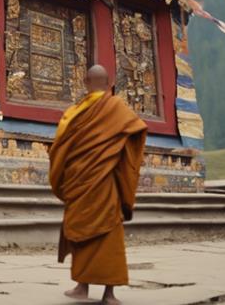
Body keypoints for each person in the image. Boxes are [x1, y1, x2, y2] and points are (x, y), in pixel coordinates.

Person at [49, 65, 147, 305]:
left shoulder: (73, 111)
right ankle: (108, 294)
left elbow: (59, 147)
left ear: (85, 81)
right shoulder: (117, 107)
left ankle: (82, 286)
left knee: (82, 234)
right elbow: (137, 130)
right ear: (109, 82)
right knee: (107, 237)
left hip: (79, 183)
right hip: (104, 183)